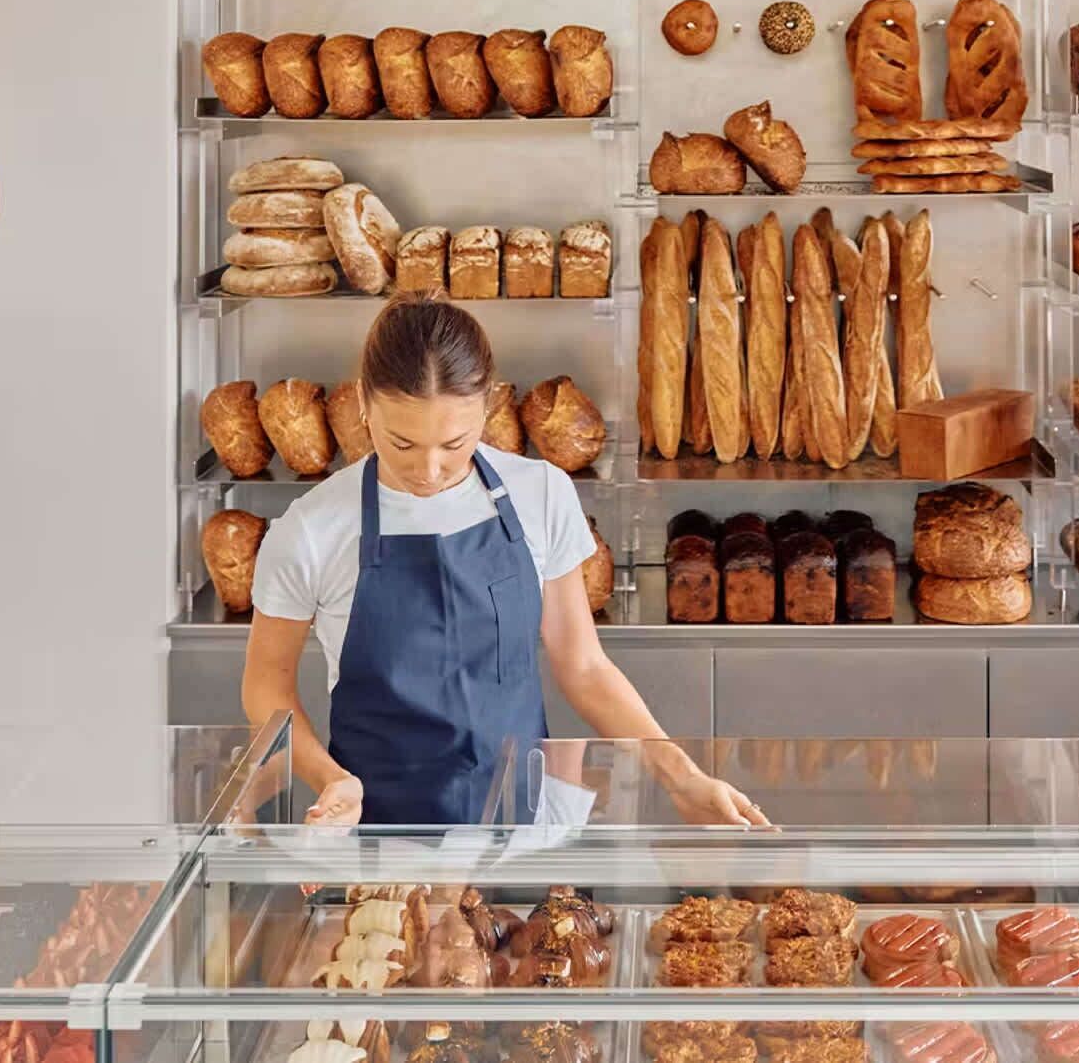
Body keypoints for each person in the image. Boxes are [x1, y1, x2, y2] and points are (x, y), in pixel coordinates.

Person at [242, 292, 765, 826]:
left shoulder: (540, 493)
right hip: (377, 827)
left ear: (488, 406)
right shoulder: (311, 528)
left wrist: (681, 774)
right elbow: (266, 684)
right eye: (402, 443)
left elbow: (582, 664)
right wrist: (328, 778)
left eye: (454, 443)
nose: (428, 469)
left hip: (520, 819)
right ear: (363, 407)